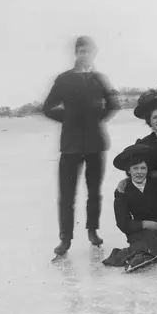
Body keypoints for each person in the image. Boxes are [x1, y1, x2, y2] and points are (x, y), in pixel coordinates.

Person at [42, 36, 120, 256]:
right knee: (67, 195)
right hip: (71, 145)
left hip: (95, 144)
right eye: (81, 51)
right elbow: (47, 108)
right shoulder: (64, 79)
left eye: (88, 52)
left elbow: (113, 105)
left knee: (94, 192)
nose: (85, 55)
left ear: (94, 54)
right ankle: (65, 239)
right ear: (76, 53)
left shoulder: (100, 79)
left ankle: (92, 231)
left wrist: (95, 119)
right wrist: (68, 119)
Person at [102, 144, 157, 272]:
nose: (139, 172)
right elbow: (122, 222)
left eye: (143, 168)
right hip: (140, 231)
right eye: (135, 168)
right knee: (151, 242)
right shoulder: (123, 191)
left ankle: (143, 253)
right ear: (128, 171)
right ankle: (139, 254)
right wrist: (144, 224)